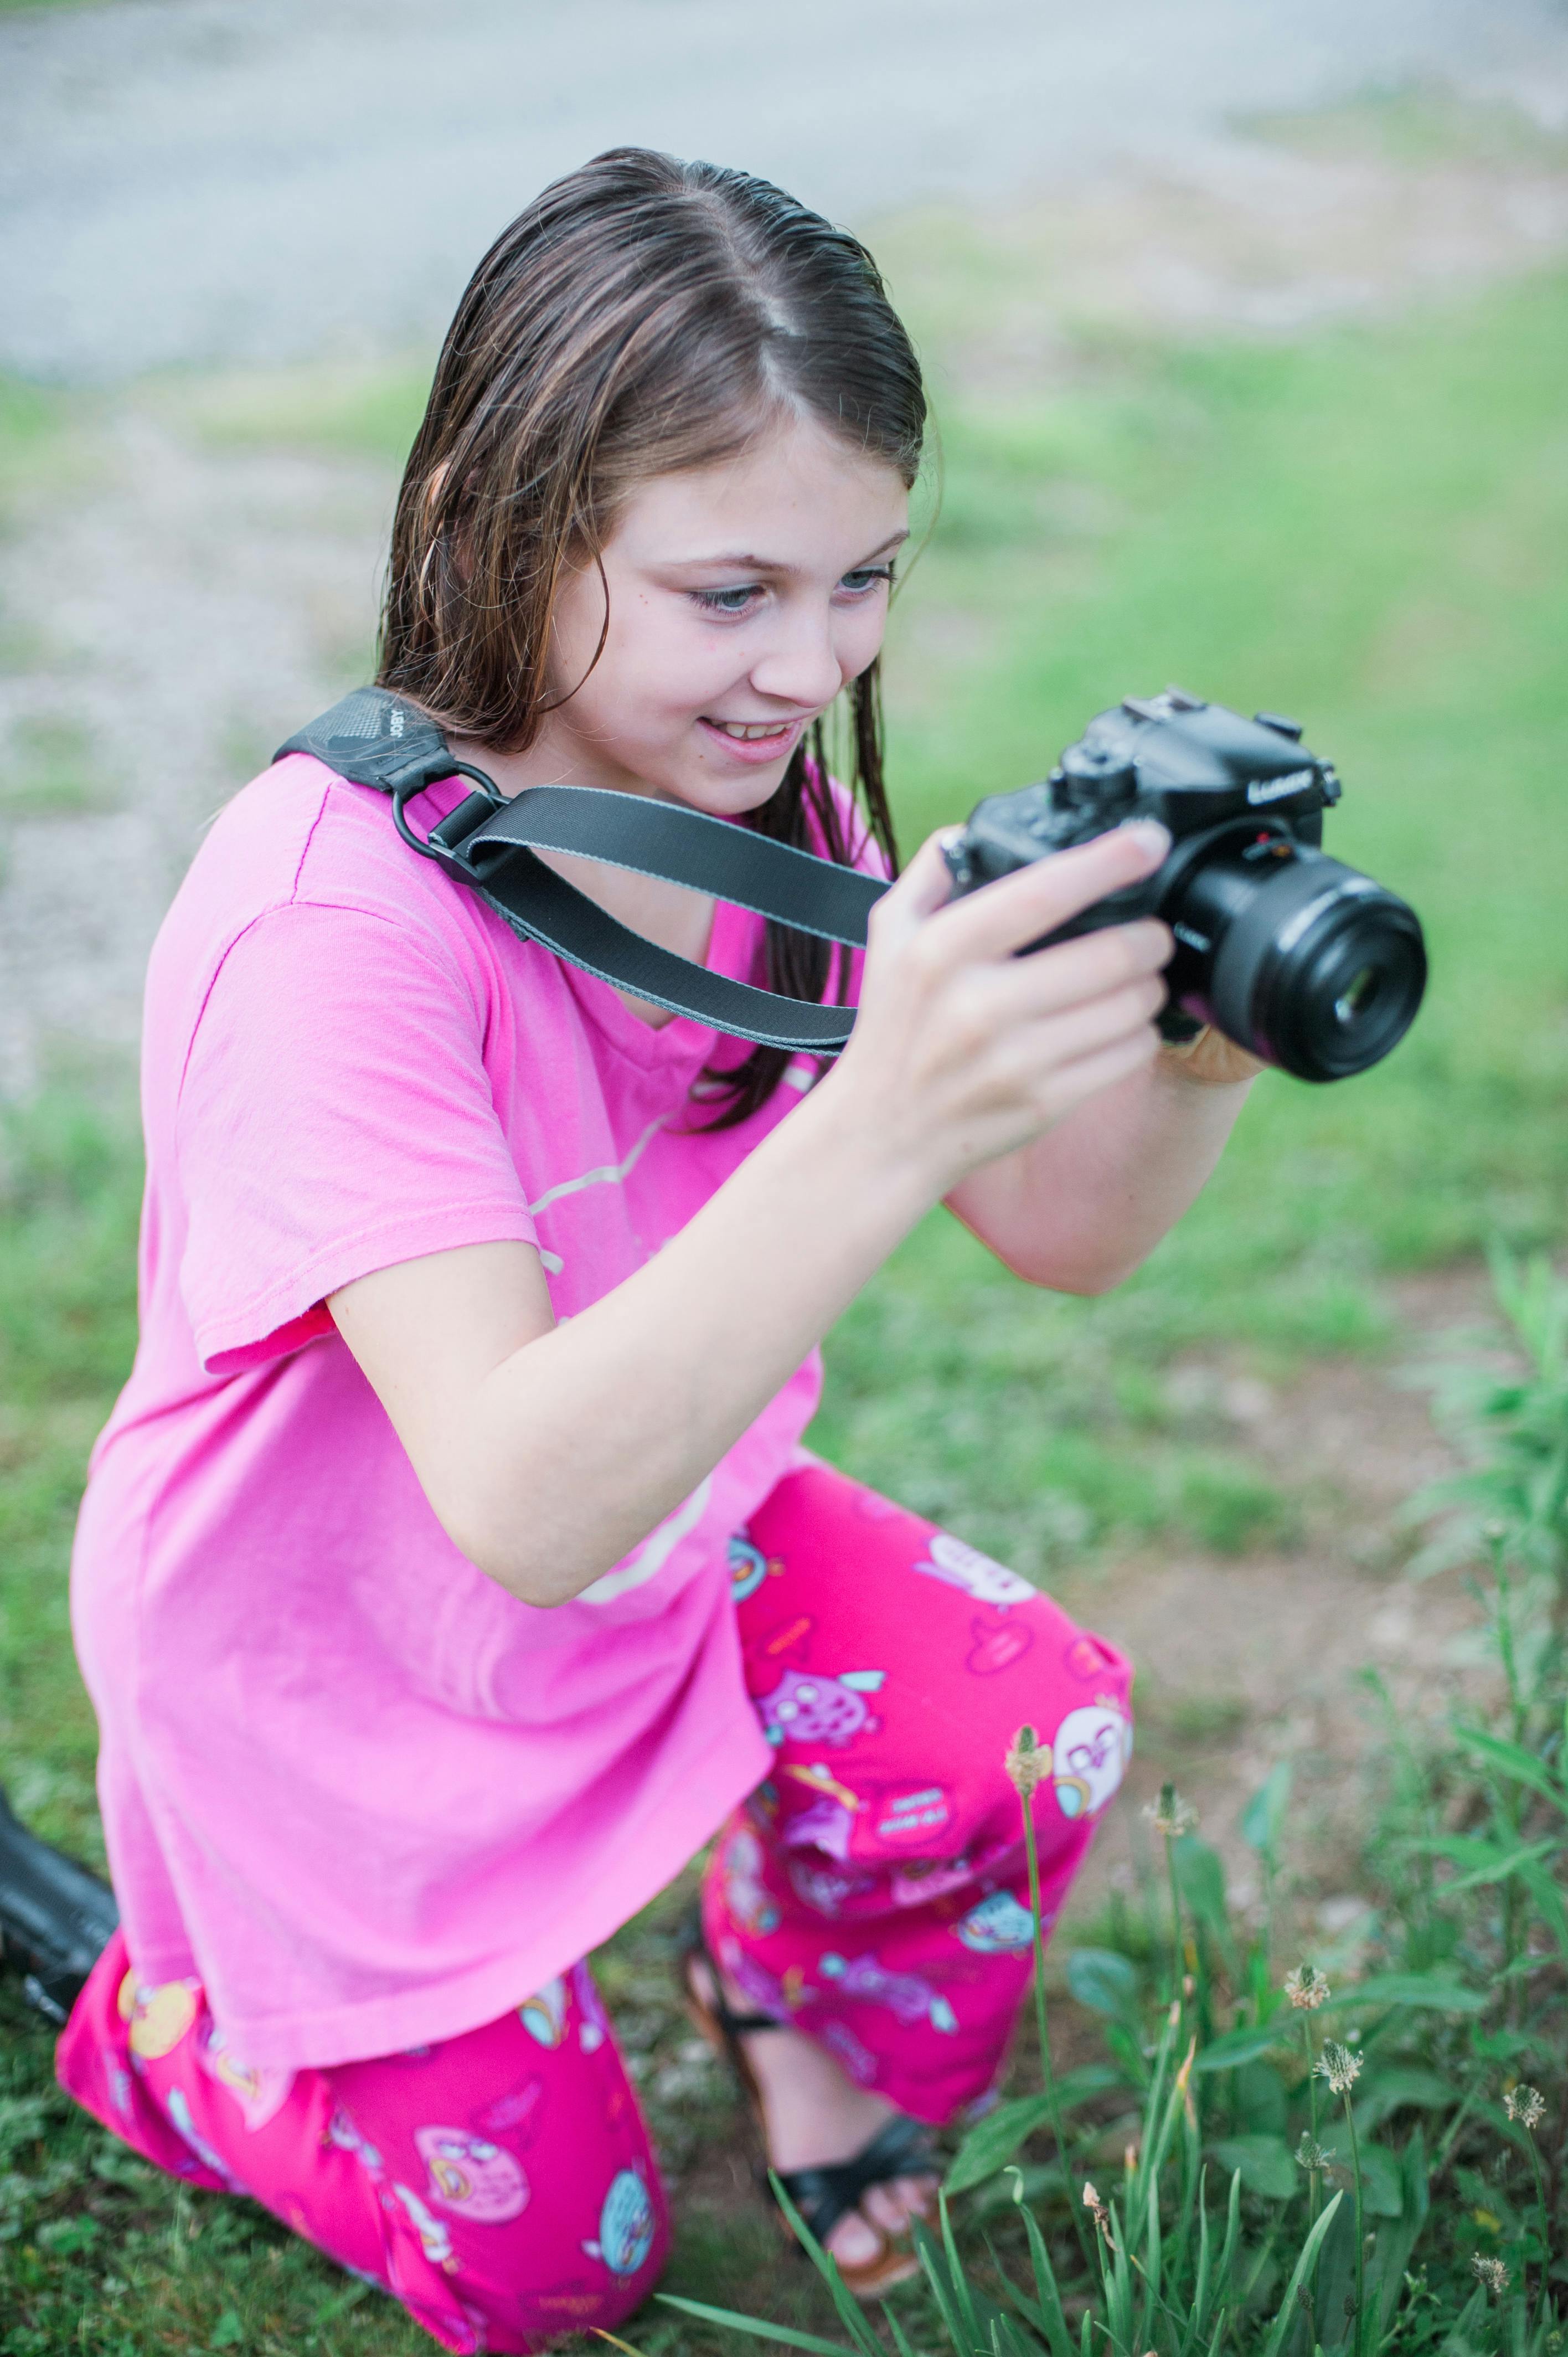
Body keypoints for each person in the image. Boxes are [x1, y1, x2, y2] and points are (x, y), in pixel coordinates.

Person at [48, 149, 1260, 2348]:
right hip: (340, 1671)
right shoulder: (332, 921)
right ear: (509, 530)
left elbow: (1061, 1230)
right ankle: (175, 2026)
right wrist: (887, 1106)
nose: (811, 663)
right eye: (733, 592)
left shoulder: (746, 791)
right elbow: (511, 1497)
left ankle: (780, 1988)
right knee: (562, 2267)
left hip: (656, 1549)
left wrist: (1194, 1042)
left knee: (1027, 1735)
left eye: (865, 577)